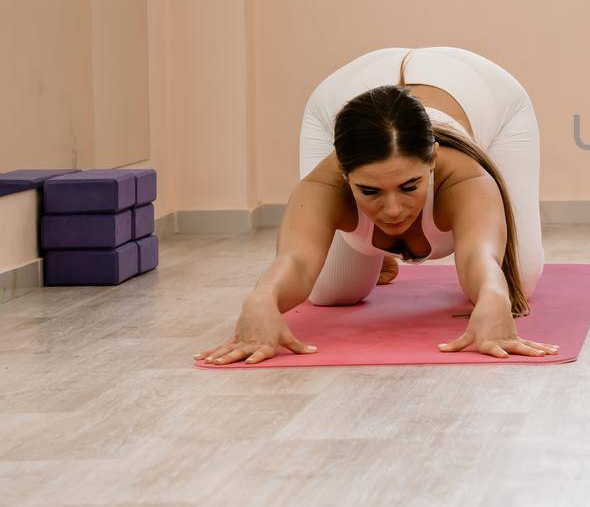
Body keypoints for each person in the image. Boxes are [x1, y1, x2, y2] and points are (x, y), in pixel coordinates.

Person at [196, 47, 556, 365]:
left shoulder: (465, 177)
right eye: (369, 191)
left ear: (431, 161)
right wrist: (262, 299)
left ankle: (382, 241)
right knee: (332, 292)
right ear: (344, 173)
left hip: (480, 86)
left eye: (409, 187)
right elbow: (296, 261)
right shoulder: (326, 184)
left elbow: (480, 256)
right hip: (345, 89)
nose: (394, 210)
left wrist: (492, 295)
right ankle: (377, 247)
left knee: (515, 283)